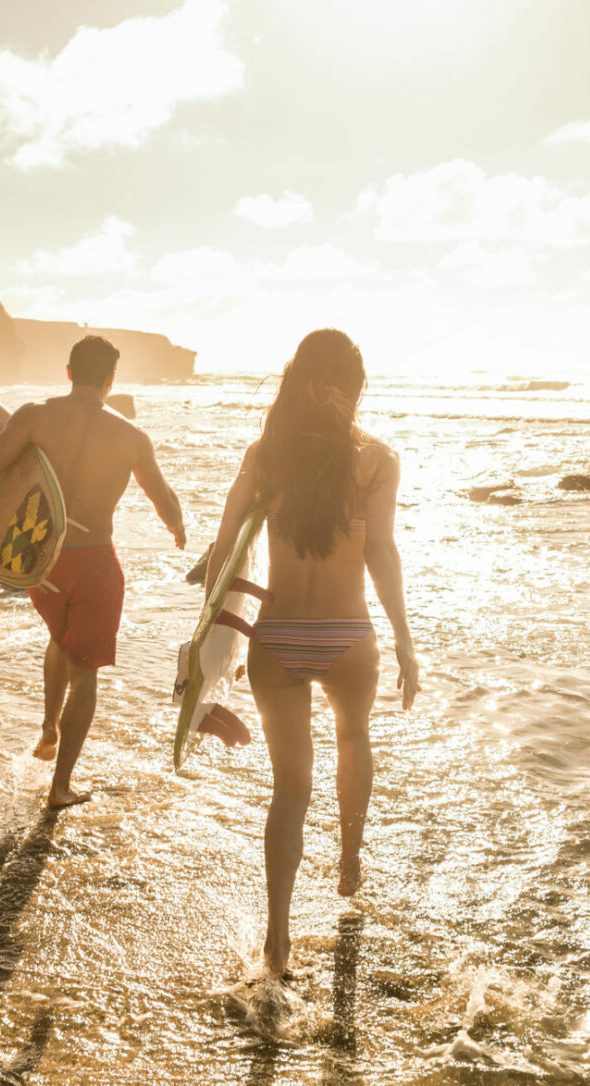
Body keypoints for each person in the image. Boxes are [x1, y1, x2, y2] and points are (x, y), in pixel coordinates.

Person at [205, 328, 419, 977]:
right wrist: (406, 639)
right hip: (349, 636)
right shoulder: (375, 459)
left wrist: (213, 645)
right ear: (350, 388)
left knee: (290, 790)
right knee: (353, 739)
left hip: (277, 635)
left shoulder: (265, 456)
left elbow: (224, 553)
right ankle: (349, 856)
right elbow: (379, 551)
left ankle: (277, 941)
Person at [0, 335, 186, 807]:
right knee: (87, 672)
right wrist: (178, 530)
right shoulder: (131, 437)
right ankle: (61, 787)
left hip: (42, 563)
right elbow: (163, 498)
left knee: (59, 638)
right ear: (111, 379)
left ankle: (47, 728)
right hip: (97, 561)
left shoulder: (35, 416)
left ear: (68, 371)